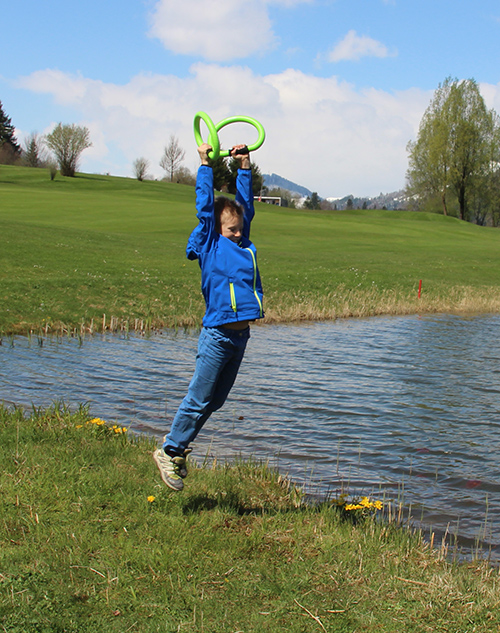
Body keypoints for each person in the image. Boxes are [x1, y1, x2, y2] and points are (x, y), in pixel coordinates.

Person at [153, 142, 264, 490]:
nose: (238, 234)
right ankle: (169, 450)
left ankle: (179, 449)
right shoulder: (211, 246)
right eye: (231, 230)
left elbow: (243, 208)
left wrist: (243, 167)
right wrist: (206, 164)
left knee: (214, 402)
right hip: (218, 335)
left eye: (239, 229)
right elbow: (205, 208)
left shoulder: (242, 244)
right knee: (199, 398)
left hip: (240, 337)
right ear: (216, 232)